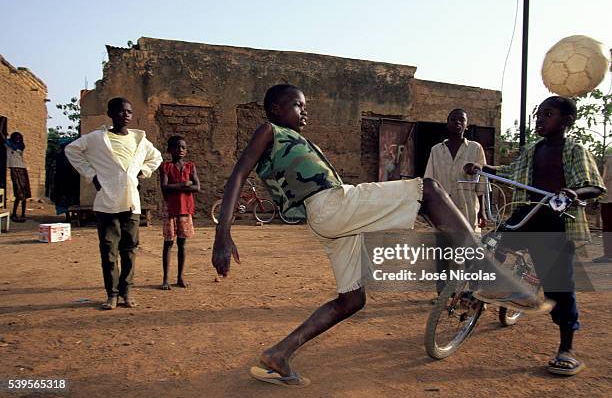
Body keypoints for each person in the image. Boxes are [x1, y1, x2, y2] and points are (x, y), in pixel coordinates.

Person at [212, 84, 549, 387]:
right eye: (299, 105)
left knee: (352, 299)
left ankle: (278, 355)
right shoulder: (269, 130)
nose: (305, 112)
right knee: (428, 189)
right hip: (333, 206)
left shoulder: (289, 137)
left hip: (328, 219)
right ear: (275, 109)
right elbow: (238, 175)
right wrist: (222, 233)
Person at [465, 96, 605, 376]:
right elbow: (509, 172)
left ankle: (567, 348)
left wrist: (573, 193)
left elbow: (593, 185)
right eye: (538, 114)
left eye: (547, 114)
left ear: (566, 121)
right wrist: (482, 169)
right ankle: (498, 289)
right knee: (491, 242)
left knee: (559, 288)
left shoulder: (575, 150)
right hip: (527, 215)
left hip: (556, 222)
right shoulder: (533, 149)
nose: (539, 119)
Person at [65, 97, 162, 310]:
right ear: (110, 114)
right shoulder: (97, 138)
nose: (125, 115)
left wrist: (141, 172)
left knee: (129, 250)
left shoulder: (139, 141)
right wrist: (92, 175)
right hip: (106, 203)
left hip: (131, 204)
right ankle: (112, 294)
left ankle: (126, 292)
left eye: (128, 111)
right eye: (119, 111)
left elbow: (157, 157)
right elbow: (71, 150)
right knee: (109, 251)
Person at [424, 108, 488, 294]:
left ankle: (476, 295)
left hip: (468, 208)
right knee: (444, 254)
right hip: (443, 210)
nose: (457, 122)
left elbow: (482, 182)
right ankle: (442, 293)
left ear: (466, 125)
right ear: (447, 123)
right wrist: (428, 209)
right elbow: (429, 179)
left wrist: (482, 211)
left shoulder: (475, 149)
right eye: (453, 119)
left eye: (462, 120)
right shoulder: (437, 150)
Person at [160, 135, 200, 290]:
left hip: (185, 209)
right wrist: (184, 184)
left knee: (182, 244)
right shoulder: (165, 167)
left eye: (183, 147)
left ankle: (180, 277)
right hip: (170, 209)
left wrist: (174, 186)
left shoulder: (190, 166)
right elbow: (164, 187)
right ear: (170, 150)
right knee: (168, 243)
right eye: (177, 147)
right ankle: (165, 279)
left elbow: (197, 187)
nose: (181, 150)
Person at [1, 131, 31, 222]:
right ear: (13, 138)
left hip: (22, 169)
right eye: (16, 138)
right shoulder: (9, 146)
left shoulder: (20, 146)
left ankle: (22, 214)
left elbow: (7, 140)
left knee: (25, 194)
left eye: (19, 138)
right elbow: (3, 138)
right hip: (15, 169)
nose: (18, 139)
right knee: (18, 193)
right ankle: (14, 213)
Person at [593, 154, 612, 263]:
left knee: (608, 226)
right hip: (607, 198)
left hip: (608, 198)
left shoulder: (610, 159)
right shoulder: (609, 158)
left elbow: (605, 178)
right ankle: (608, 254)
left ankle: (609, 254)